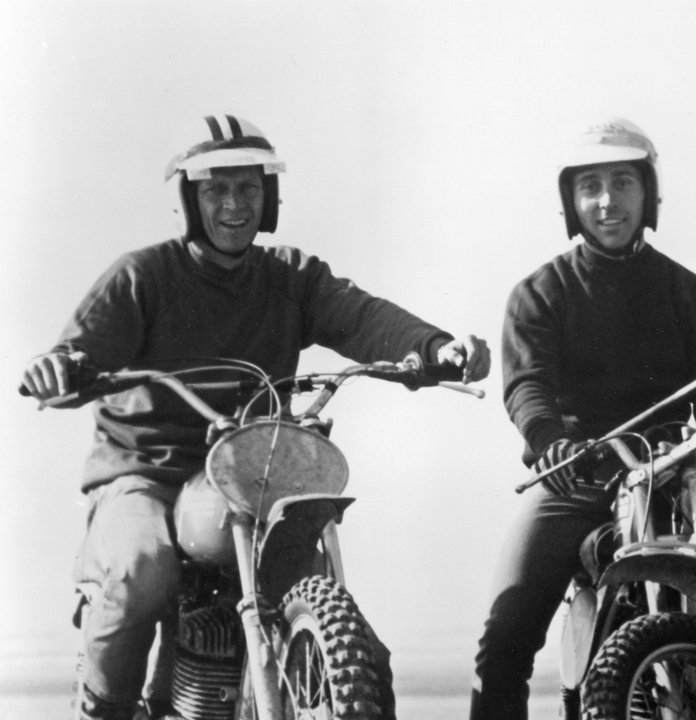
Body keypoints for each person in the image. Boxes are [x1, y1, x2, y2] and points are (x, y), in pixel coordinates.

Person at [19, 113, 491, 720]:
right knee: (144, 571)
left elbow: (362, 316)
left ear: (269, 197)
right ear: (190, 200)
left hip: (251, 471)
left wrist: (434, 347)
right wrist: (58, 368)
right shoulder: (142, 277)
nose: (234, 205)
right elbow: (79, 349)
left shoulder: (290, 277)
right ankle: (102, 708)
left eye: (248, 188)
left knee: (362, 647)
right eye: (216, 189)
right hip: (146, 470)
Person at [469, 118, 696, 719]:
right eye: (591, 186)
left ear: (648, 192)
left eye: (622, 183)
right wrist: (551, 442)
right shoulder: (540, 292)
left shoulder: (690, 293)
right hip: (576, 479)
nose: (607, 201)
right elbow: (527, 386)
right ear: (571, 201)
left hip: (675, 478)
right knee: (504, 636)